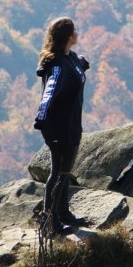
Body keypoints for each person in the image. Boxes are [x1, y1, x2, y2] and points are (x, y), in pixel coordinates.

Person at [34, 17, 89, 235]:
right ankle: (49, 222)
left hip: (73, 126)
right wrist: (41, 120)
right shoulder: (57, 65)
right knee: (57, 173)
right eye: (75, 30)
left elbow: (77, 68)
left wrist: (84, 64)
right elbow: (49, 94)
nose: (78, 32)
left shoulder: (71, 58)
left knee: (65, 172)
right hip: (57, 128)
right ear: (68, 36)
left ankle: (64, 213)